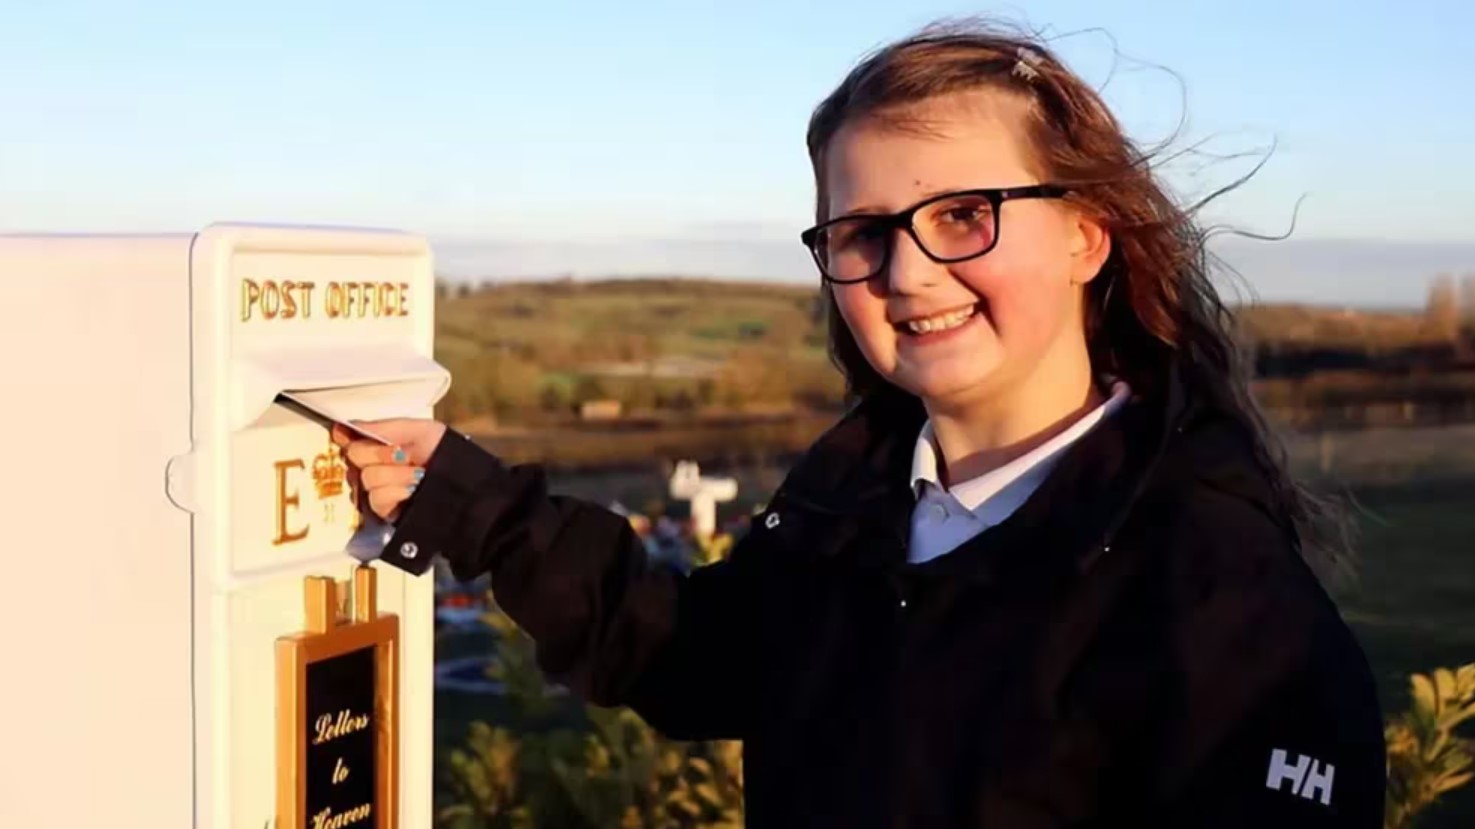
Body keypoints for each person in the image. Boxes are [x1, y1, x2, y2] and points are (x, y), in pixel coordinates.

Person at [335, 21, 1386, 827]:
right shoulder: (851, 513)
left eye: (961, 215)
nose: (906, 271)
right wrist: (469, 504)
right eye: (861, 231)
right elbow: (685, 654)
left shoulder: (1215, 599)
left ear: (1085, 235)